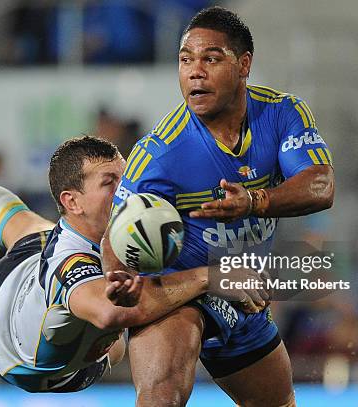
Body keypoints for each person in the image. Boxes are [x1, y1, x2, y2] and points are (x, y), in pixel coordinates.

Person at [0, 136, 266, 393]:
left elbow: (8, 213)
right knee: (121, 327)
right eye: (111, 182)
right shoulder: (70, 261)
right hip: (17, 356)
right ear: (72, 201)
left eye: (126, 177)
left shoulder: (116, 221)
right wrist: (211, 276)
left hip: (33, 267)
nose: (127, 189)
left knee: (24, 225)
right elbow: (110, 314)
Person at [103, 7, 335, 407]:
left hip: (242, 293)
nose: (195, 71)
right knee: (163, 398)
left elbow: (322, 184)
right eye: (185, 60)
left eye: (210, 59)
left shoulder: (282, 114)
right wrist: (118, 279)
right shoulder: (159, 154)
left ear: (244, 65)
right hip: (180, 295)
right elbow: (114, 241)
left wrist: (254, 201)